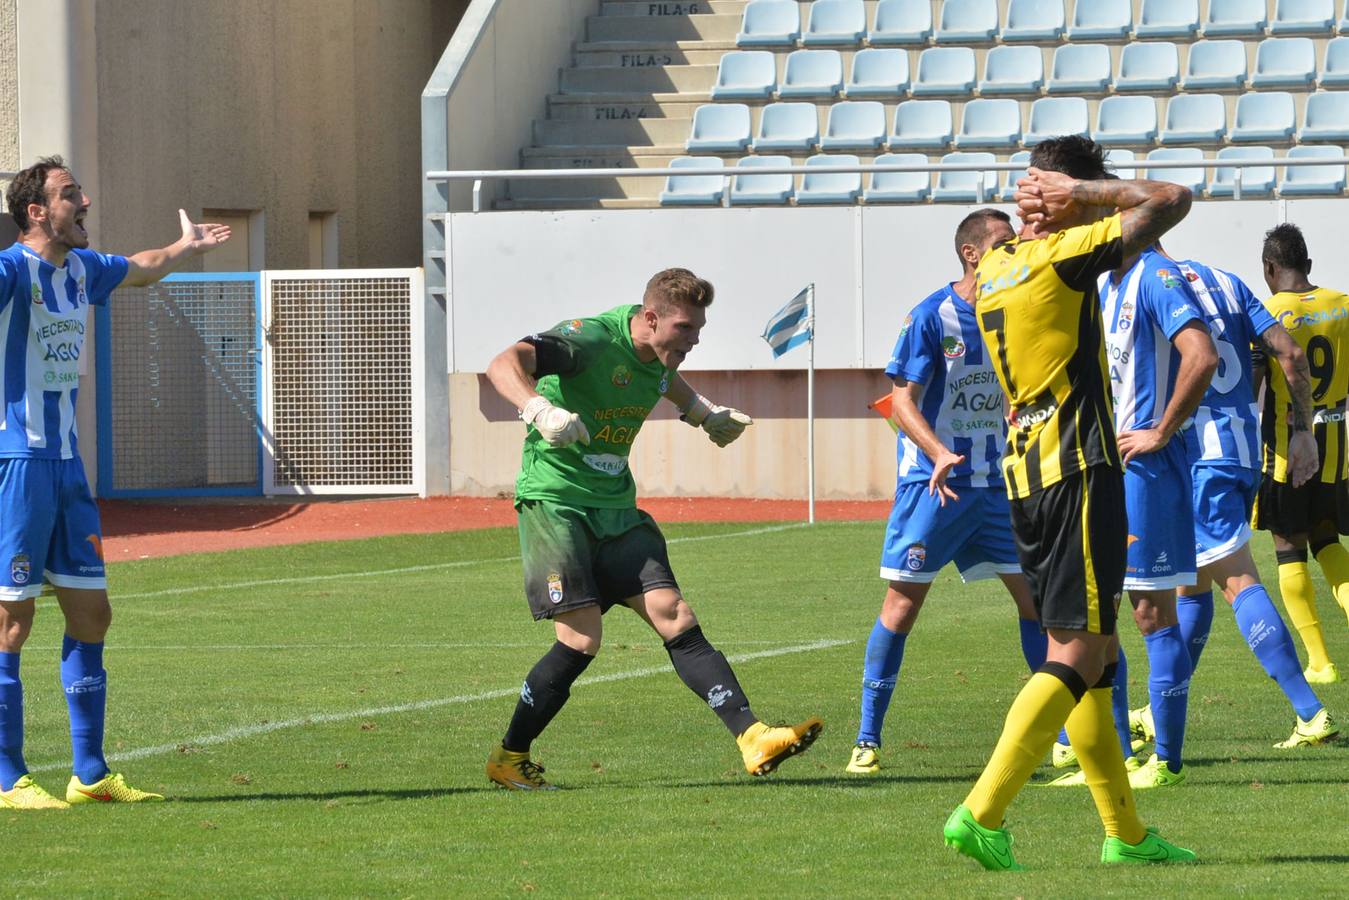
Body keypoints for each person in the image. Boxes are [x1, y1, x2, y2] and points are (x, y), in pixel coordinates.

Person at [943, 135, 1195, 870]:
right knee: (1077, 651)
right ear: (1062, 198)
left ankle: (1126, 834)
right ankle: (980, 812)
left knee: (1098, 657)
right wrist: (1082, 196)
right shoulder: (1060, 254)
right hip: (1078, 470)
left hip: (1026, 475)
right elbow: (1171, 199)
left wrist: (1054, 197)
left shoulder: (993, 264)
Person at [481, 267, 822, 790]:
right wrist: (538, 409)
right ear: (650, 317)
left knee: (675, 615)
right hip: (557, 505)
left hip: (618, 510)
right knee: (580, 638)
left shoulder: (657, 356)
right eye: (685, 329)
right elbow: (502, 363)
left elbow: (664, 380)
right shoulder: (590, 340)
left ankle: (753, 737)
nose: (694, 340)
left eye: (699, 330)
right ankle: (510, 757)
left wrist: (703, 414)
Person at [848, 208, 1125, 776]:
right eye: (1001, 241)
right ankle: (867, 740)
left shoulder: (1017, 304)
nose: (1012, 248)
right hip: (935, 486)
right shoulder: (931, 316)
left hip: (999, 486)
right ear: (971, 253)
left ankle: (1068, 735)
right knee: (901, 607)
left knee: (1040, 608)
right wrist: (939, 453)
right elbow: (901, 401)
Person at [0, 156, 232, 809]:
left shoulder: (83, 270)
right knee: (10, 620)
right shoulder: (11, 272)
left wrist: (185, 246)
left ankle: (90, 774)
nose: (87, 201)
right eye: (71, 194)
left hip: (68, 469)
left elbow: (143, 264)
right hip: (15, 464)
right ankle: (7, 778)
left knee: (92, 614)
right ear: (38, 211)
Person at [1158, 250, 1337, 749]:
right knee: (1190, 586)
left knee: (1236, 581)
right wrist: (1304, 431)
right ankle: (1162, 708)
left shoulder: (1146, 285)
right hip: (1241, 449)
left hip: (1196, 456)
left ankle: (1309, 711)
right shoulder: (1224, 280)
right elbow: (1292, 353)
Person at [1253, 223, 1349, 688]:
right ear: (1308, 265)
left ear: (1269, 268)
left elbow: (1253, 388)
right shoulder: (1344, 306)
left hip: (1285, 450)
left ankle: (1320, 662)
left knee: (1288, 552)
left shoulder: (1267, 312)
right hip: (1336, 450)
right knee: (1328, 541)